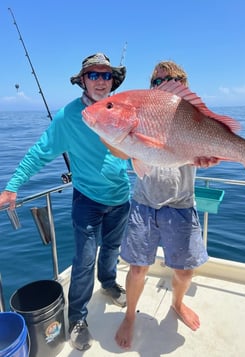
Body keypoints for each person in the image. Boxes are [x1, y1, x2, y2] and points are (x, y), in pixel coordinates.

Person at [0, 52, 131, 351]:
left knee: (112, 249)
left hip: (122, 196)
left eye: (106, 75)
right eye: (94, 75)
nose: (100, 80)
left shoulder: (125, 109)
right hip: (87, 200)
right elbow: (40, 152)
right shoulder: (68, 117)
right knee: (84, 261)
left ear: (113, 80)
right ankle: (78, 318)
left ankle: (109, 282)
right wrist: (12, 186)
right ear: (83, 80)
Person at [115, 61, 219, 349]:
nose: (164, 85)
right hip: (144, 203)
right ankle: (130, 316)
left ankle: (177, 303)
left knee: (186, 271)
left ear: (183, 85)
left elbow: (210, 148)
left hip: (181, 204)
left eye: (172, 80)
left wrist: (209, 157)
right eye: (158, 82)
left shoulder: (194, 116)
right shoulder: (140, 115)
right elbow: (123, 148)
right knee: (137, 269)